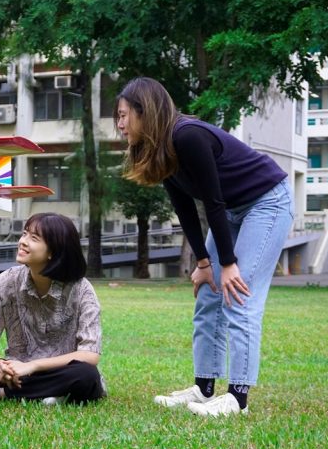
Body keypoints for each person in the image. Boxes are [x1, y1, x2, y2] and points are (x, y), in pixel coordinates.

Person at [115, 77, 294, 416]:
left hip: (267, 202)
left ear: (144, 111)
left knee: (239, 295)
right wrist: (202, 264)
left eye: (124, 116)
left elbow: (212, 201)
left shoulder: (188, 136)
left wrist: (227, 263)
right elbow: (184, 207)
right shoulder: (160, 148)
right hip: (231, 210)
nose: (120, 124)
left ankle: (238, 399)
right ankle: (204, 389)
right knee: (208, 297)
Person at [0, 213, 106, 405]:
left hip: (61, 372)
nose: (23, 242)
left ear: (53, 251)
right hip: (14, 372)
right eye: (24, 234)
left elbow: (90, 355)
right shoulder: (8, 280)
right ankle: (51, 394)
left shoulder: (81, 289)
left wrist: (32, 366)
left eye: (34, 238)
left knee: (87, 375)